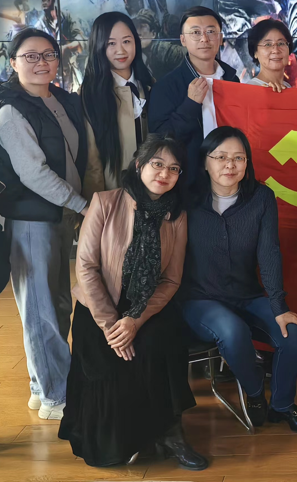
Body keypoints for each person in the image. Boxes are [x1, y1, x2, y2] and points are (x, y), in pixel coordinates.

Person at [60, 136, 205, 469]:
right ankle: (131, 435)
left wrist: (135, 320)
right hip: (99, 307)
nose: (164, 174)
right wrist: (113, 326)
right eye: (157, 164)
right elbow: (86, 268)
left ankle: (170, 433)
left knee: (164, 342)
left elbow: (171, 279)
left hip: (147, 305)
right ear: (139, 165)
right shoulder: (105, 202)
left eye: (174, 169)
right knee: (106, 445)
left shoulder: (177, 215)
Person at [0, 29, 89, 422]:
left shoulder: (61, 100)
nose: (41, 62)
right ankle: (56, 396)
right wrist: (82, 205)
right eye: (30, 56)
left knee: (58, 304)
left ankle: (43, 386)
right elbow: (33, 173)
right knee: (40, 309)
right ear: (13, 63)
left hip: (61, 214)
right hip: (30, 219)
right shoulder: (11, 109)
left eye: (49, 54)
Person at [179, 127, 297, 433]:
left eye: (238, 158)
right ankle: (254, 394)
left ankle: (282, 405)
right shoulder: (186, 198)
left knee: (292, 333)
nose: (230, 165)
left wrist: (279, 306)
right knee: (233, 331)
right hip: (200, 298)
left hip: (247, 294)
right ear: (205, 162)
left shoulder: (261, 197)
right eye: (221, 157)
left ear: (247, 162)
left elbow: (269, 252)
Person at [147, 6, 240, 188]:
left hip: (232, 177)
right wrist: (190, 105)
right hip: (190, 184)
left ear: (220, 37)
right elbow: (159, 141)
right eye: (195, 32)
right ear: (183, 40)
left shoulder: (232, 80)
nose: (204, 39)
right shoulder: (166, 86)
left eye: (211, 31)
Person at [81, 13, 156, 199]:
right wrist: (97, 204)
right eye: (111, 43)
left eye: (126, 41)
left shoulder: (150, 85)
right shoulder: (90, 94)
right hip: (115, 195)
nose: (120, 50)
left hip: (154, 192)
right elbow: (92, 162)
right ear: (99, 46)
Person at [244, 18, 295, 92]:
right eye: (268, 44)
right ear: (255, 52)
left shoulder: (287, 87)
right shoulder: (249, 91)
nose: (276, 50)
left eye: (281, 43)